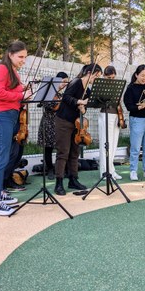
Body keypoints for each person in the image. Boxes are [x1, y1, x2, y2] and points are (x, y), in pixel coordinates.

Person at [0, 41, 32, 216]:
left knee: (5, 158)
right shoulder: (2, 69)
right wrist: (21, 94)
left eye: (25, 57)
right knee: (1, 158)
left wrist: (24, 90)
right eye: (20, 56)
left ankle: (0, 194)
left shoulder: (12, 72)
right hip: (0, 116)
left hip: (8, 117)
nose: (23, 60)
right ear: (10, 54)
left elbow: (13, 94)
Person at [54, 63, 102, 195]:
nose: (96, 80)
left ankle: (73, 180)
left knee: (75, 152)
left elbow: (86, 105)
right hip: (63, 120)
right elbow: (67, 97)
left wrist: (83, 107)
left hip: (76, 123)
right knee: (63, 152)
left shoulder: (88, 90)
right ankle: (58, 184)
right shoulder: (76, 82)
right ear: (89, 73)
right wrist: (80, 102)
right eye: (96, 76)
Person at [123, 64, 145, 181]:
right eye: (142, 75)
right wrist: (140, 107)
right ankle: (133, 171)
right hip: (137, 120)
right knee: (136, 148)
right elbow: (128, 106)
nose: (144, 78)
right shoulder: (130, 88)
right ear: (136, 75)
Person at [37, 72, 69, 180]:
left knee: (60, 147)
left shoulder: (61, 95)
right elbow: (54, 107)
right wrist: (63, 100)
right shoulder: (48, 94)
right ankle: (50, 169)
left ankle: (59, 169)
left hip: (59, 123)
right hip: (48, 123)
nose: (65, 84)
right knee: (48, 148)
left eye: (66, 82)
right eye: (63, 81)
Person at [98, 65, 122, 180]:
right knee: (105, 144)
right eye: (109, 78)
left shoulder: (117, 86)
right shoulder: (100, 86)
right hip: (105, 115)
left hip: (116, 115)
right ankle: (104, 172)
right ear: (104, 76)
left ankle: (111, 170)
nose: (112, 80)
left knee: (113, 145)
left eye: (113, 78)